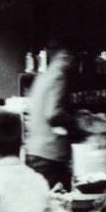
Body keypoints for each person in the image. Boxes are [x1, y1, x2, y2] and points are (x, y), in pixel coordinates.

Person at [25, 49, 83, 190]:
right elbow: (53, 114)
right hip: (50, 153)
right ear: (69, 58)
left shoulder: (43, 77)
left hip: (35, 150)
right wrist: (78, 123)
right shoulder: (59, 76)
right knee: (55, 202)